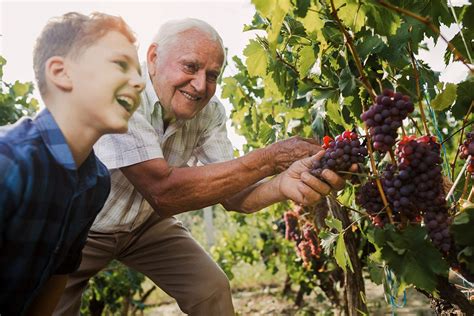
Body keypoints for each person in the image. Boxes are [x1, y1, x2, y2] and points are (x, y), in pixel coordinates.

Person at [54, 18, 350, 316]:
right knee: (49, 307)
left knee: (210, 289)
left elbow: (237, 196)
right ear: (154, 57)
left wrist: (282, 184)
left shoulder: (209, 113)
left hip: (144, 225)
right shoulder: (118, 94)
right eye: (190, 67)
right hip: (82, 226)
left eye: (212, 75)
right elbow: (163, 191)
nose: (200, 85)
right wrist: (270, 158)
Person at [0, 12, 145, 316]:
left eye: (138, 71)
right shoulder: (9, 161)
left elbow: (56, 276)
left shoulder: (95, 182)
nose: (139, 82)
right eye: (121, 64)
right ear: (61, 73)